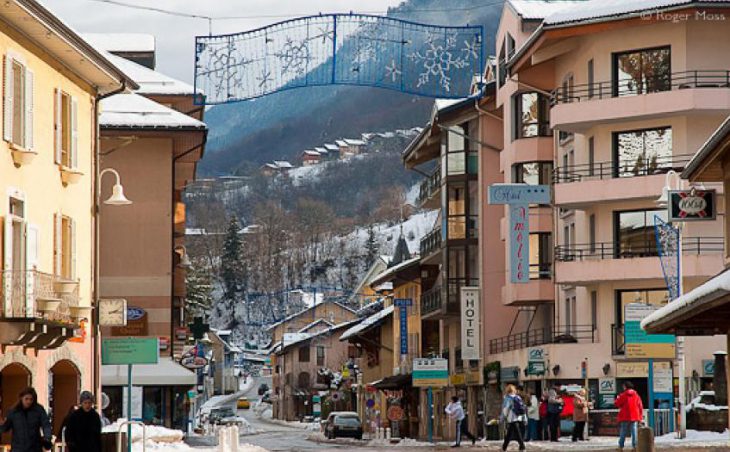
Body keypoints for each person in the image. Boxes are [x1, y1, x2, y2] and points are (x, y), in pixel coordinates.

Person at [0, 387, 52, 452]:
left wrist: (47, 438)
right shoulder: (14, 412)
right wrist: (2, 424)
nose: (29, 402)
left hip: (34, 448)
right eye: (26, 399)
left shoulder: (38, 410)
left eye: (31, 399)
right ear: (21, 398)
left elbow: (46, 424)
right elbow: (5, 428)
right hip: (18, 448)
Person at [615, 381, 643, 450]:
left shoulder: (623, 395)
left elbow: (617, 404)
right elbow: (640, 406)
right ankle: (635, 446)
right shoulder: (636, 395)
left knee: (623, 432)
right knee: (634, 432)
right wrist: (640, 416)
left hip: (625, 416)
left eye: (623, 386)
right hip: (635, 416)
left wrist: (617, 398)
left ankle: (620, 447)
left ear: (625, 387)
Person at [500, 384, 525, 451]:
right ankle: (504, 447)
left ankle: (522, 446)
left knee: (517, 433)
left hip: (511, 417)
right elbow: (522, 407)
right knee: (509, 433)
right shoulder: (518, 397)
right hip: (518, 417)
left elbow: (505, 409)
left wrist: (502, 418)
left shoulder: (507, 398)